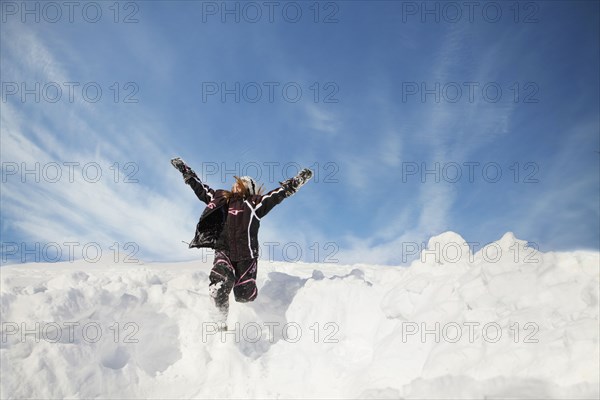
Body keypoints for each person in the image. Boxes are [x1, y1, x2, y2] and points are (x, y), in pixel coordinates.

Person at [171, 158, 313, 329]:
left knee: (244, 296)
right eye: (236, 183)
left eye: (242, 183)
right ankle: (219, 320)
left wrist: (295, 182)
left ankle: (254, 319)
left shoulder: (255, 203)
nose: (237, 186)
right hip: (225, 250)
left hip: (247, 256)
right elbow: (200, 188)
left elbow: (277, 195)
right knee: (221, 281)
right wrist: (185, 171)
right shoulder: (221, 198)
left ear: (250, 189)